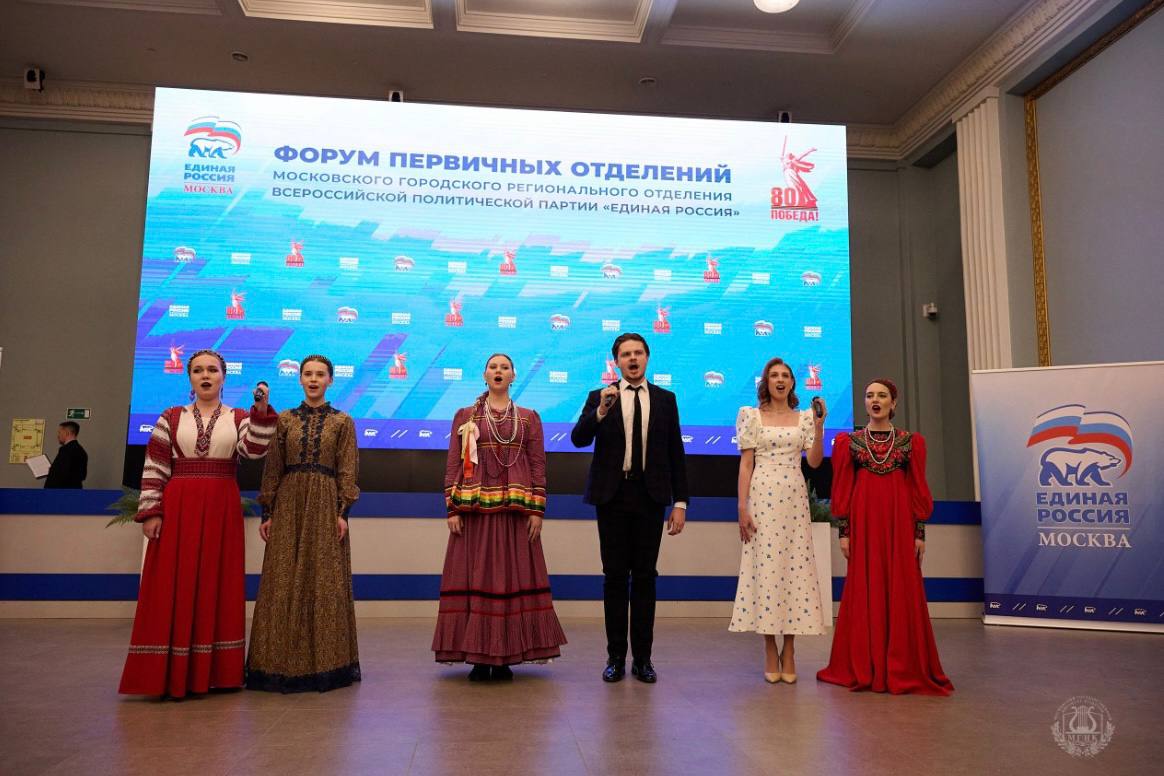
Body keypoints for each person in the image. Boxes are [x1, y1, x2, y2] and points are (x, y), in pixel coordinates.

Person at [119, 349, 275, 698]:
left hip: (221, 506)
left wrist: (261, 412)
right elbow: (155, 466)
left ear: (223, 377)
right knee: (172, 582)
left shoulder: (239, 417)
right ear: (189, 377)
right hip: (178, 506)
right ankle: (165, 673)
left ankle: (215, 672)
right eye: (198, 370)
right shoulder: (170, 417)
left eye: (212, 370)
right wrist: (152, 511)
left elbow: (254, 451)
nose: (206, 375)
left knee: (217, 581)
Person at [433, 353, 567, 679]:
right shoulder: (464, 416)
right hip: (474, 512)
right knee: (475, 577)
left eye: (504, 367)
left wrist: (537, 510)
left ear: (512, 376)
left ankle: (505, 656)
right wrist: (451, 507)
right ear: (484, 375)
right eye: (493, 367)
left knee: (510, 578)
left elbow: (537, 465)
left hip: (514, 512)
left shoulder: (529, 418)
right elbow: (453, 463)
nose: (498, 371)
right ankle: (479, 658)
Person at [817, 378, 954, 696]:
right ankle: (865, 664)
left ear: (893, 403)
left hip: (900, 525)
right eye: (869, 396)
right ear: (865, 402)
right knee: (865, 587)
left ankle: (901, 664)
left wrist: (919, 533)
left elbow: (918, 487)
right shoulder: (849, 443)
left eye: (882, 395)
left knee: (902, 587)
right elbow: (843, 490)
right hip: (864, 526)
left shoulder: (910, 443)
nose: (875, 400)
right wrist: (844, 532)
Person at [570, 333, 689, 684]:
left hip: (651, 497)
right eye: (626, 354)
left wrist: (680, 502)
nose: (633, 359)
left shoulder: (665, 399)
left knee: (646, 578)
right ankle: (615, 658)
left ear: (647, 358)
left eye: (638, 353)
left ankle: (643, 660)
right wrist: (601, 411)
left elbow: (676, 453)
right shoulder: (600, 396)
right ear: (617, 361)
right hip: (612, 497)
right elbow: (579, 438)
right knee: (614, 578)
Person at [246, 355, 361, 693]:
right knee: (281, 578)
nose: (313, 379)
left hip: (325, 503)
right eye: (308, 374)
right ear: (299, 379)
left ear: (330, 380)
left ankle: (325, 665)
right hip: (288, 504)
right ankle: (275, 665)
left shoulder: (343, 421)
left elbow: (348, 469)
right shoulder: (284, 420)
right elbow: (273, 467)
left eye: (320, 374)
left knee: (323, 580)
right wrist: (268, 512)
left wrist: (342, 512)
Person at [730, 357, 827, 684]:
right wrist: (742, 507)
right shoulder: (751, 415)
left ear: (792, 383)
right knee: (767, 572)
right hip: (762, 499)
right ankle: (770, 648)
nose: (780, 380)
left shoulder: (804, 418)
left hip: (793, 501)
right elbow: (746, 465)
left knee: (794, 572)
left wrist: (819, 427)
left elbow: (815, 462)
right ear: (766, 382)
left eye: (786, 375)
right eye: (774, 375)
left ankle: (791, 649)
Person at [44, 421, 88, 489]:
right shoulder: (81, 451)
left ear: (67, 433)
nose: (58, 435)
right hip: (73, 491)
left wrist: (52, 471)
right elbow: (82, 475)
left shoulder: (66, 450)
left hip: (61, 492)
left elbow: (61, 474)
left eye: (59, 432)